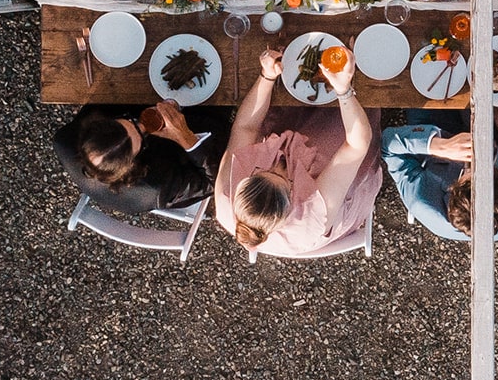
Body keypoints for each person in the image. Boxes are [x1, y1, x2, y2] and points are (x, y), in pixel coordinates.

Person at [214, 48, 381, 257]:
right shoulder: (312, 211)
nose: (278, 164)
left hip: (288, 162)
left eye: (262, 169)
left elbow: (245, 128)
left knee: (283, 106)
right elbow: (356, 145)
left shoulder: (227, 191)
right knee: (348, 118)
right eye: (283, 176)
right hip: (331, 187)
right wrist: (343, 90)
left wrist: (267, 76)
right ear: (292, 196)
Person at [380, 109, 498, 241]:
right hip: (496, 135)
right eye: (485, 167)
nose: (476, 158)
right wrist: (495, 113)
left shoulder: (421, 199)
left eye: (469, 169)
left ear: (452, 189)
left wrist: (439, 146)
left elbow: (387, 145)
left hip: (437, 132)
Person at [54, 102, 230, 216]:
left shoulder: (64, 140)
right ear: (133, 165)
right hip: (186, 149)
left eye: (129, 121)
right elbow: (216, 181)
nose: (143, 125)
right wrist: (185, 137)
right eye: (140, 135)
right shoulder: (155, 188)